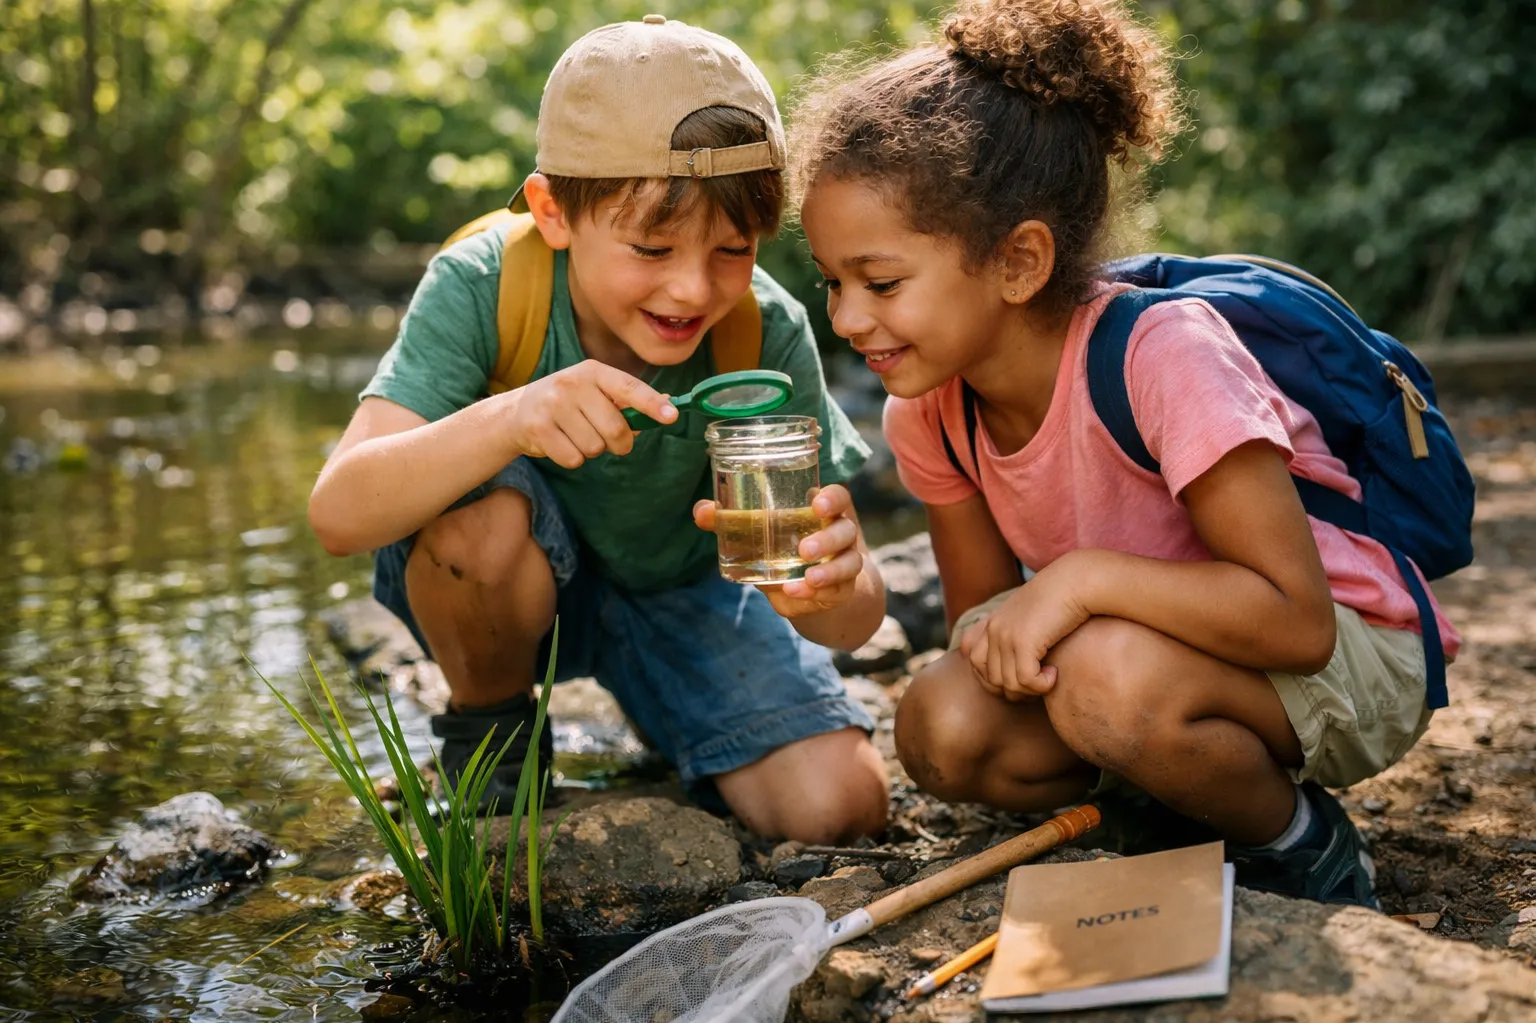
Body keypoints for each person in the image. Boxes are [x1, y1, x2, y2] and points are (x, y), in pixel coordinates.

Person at [791, 0, 1459, 905]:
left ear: (1022, 262)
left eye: (881, 282)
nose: (846, 318)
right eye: (832, 281)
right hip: (1152, 663)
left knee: (1107, 677)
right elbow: (981, 620)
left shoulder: (1161, 355)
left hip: (1348, 651)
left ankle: (1303, 843)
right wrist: (964, 623)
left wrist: (1075, 584)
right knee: (942, 723)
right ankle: (1180, 801)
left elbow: (1294, 621)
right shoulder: (933, 409)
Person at [308, 16, 890, 843]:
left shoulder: (764, 331)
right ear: (553, 211)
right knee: (477, 512)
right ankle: (496, 730)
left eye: (732, 249)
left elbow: (847, 619)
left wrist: (839, 585)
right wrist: (511, 417)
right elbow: (338, 513)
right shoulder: (482, 288)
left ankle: (670, 704)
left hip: (687, 596)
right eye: (652, 248)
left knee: (839, 809)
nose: (693, 289)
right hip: (510, 591)